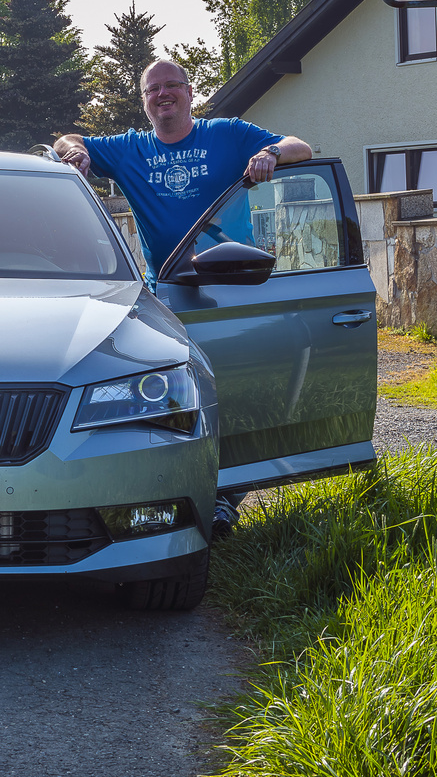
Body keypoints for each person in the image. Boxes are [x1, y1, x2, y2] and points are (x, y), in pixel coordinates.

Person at [53, 58, 312, 538]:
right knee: (172, 403)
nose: (164, 94)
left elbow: (303, 146)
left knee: (237, 395)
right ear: (145, 100)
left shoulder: (228, 135)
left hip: (231, 289)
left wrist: (273, 153)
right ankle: (165, 499)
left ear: (191, 93)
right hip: (166, 297)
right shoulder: (129, 149)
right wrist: (74, 154)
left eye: (173, 85)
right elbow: (69, 140)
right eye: (154, 89)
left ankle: (225, 499)